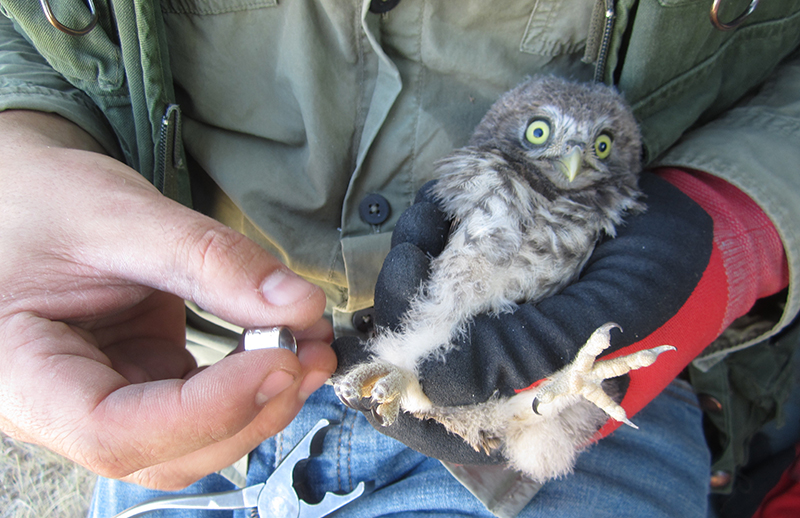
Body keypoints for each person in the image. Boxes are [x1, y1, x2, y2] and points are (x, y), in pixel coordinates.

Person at [0, 1, 798, 516]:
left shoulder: (594, 202)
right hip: (191, 367)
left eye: (593, 149)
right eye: (547, 140)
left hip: (599, 412)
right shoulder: (482, 179)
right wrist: (24, 149)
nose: (569, 167)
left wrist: (736, 223)